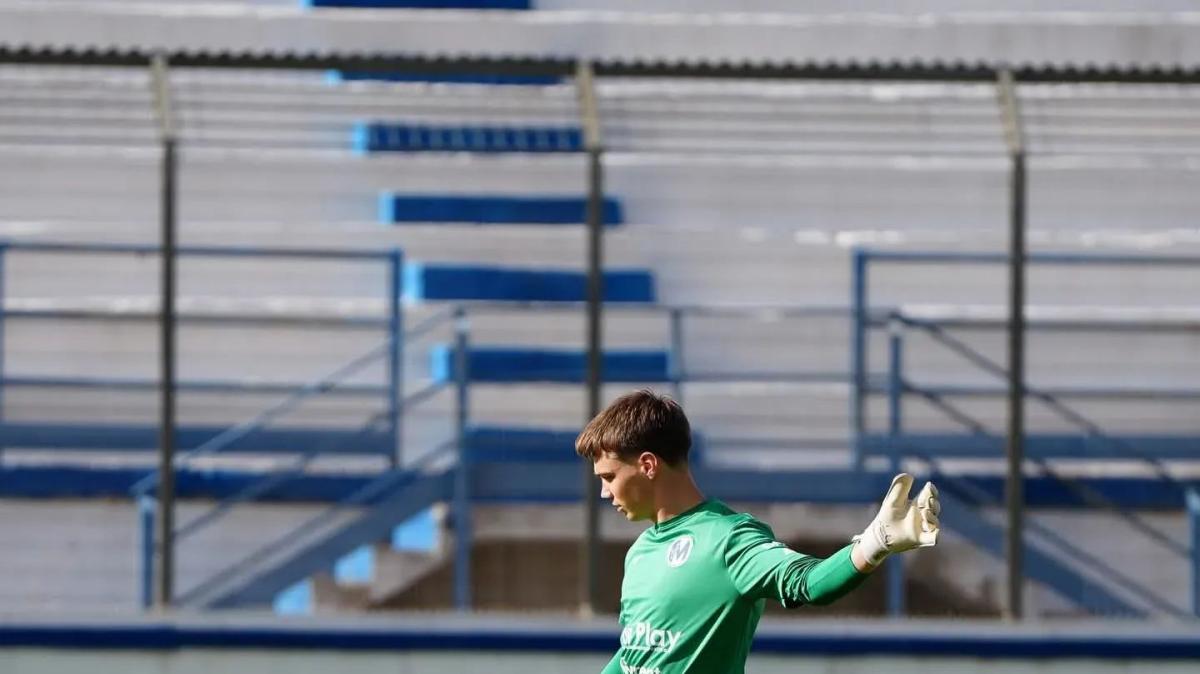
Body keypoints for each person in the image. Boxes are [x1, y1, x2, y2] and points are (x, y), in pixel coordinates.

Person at [576, 389, 940, 674]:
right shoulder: (640, 552)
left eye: (609, 477)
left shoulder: (729, 540)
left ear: (648, 465)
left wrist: (876, 541)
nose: (605, 492)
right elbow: (635, 657)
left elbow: (809, 582)